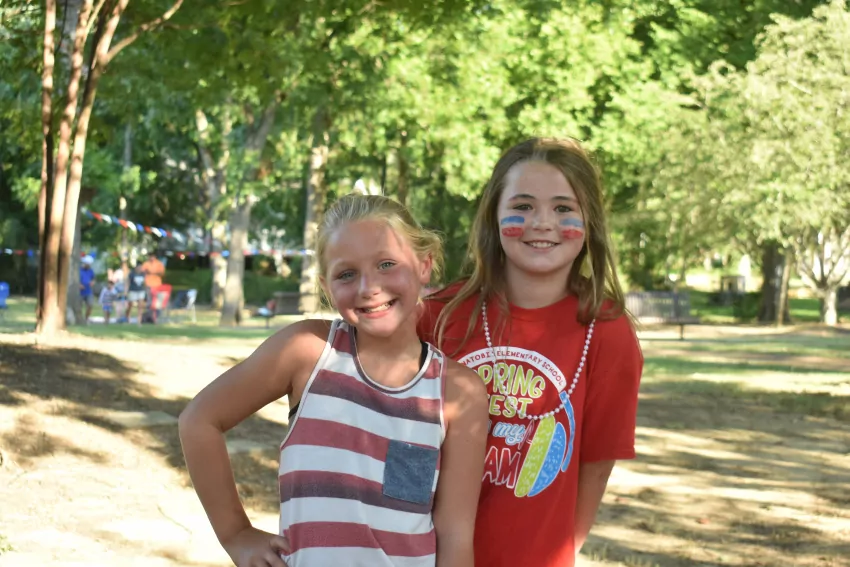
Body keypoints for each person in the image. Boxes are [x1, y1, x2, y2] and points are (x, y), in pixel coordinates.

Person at [179, 194, 489, 567]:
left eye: (386, 264)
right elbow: (199, 420)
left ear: (425, 265)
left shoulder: (458, 391)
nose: (368, 287)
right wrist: (235, 534)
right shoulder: (306, 352)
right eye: (347, 274)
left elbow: (455, 534)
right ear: (327, 286)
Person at [418, 138, 643, 567]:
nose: (542, 223)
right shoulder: (437, 317)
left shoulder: (606, 332)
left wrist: (560, 554)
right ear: (493, 216)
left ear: (589, 222)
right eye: (522, 206)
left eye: (563, 208)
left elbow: (596, 466)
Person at [79, 255, 96, 324]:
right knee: (79, 306)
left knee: (90, 305)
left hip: (88, 290)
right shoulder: (79, 270)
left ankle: (86, 318)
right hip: (80, 291)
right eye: (88, 264)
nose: (89, 266)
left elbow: (93, 278)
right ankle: (80, 318)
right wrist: (79, 285)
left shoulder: (90, 271)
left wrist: (92, 282)